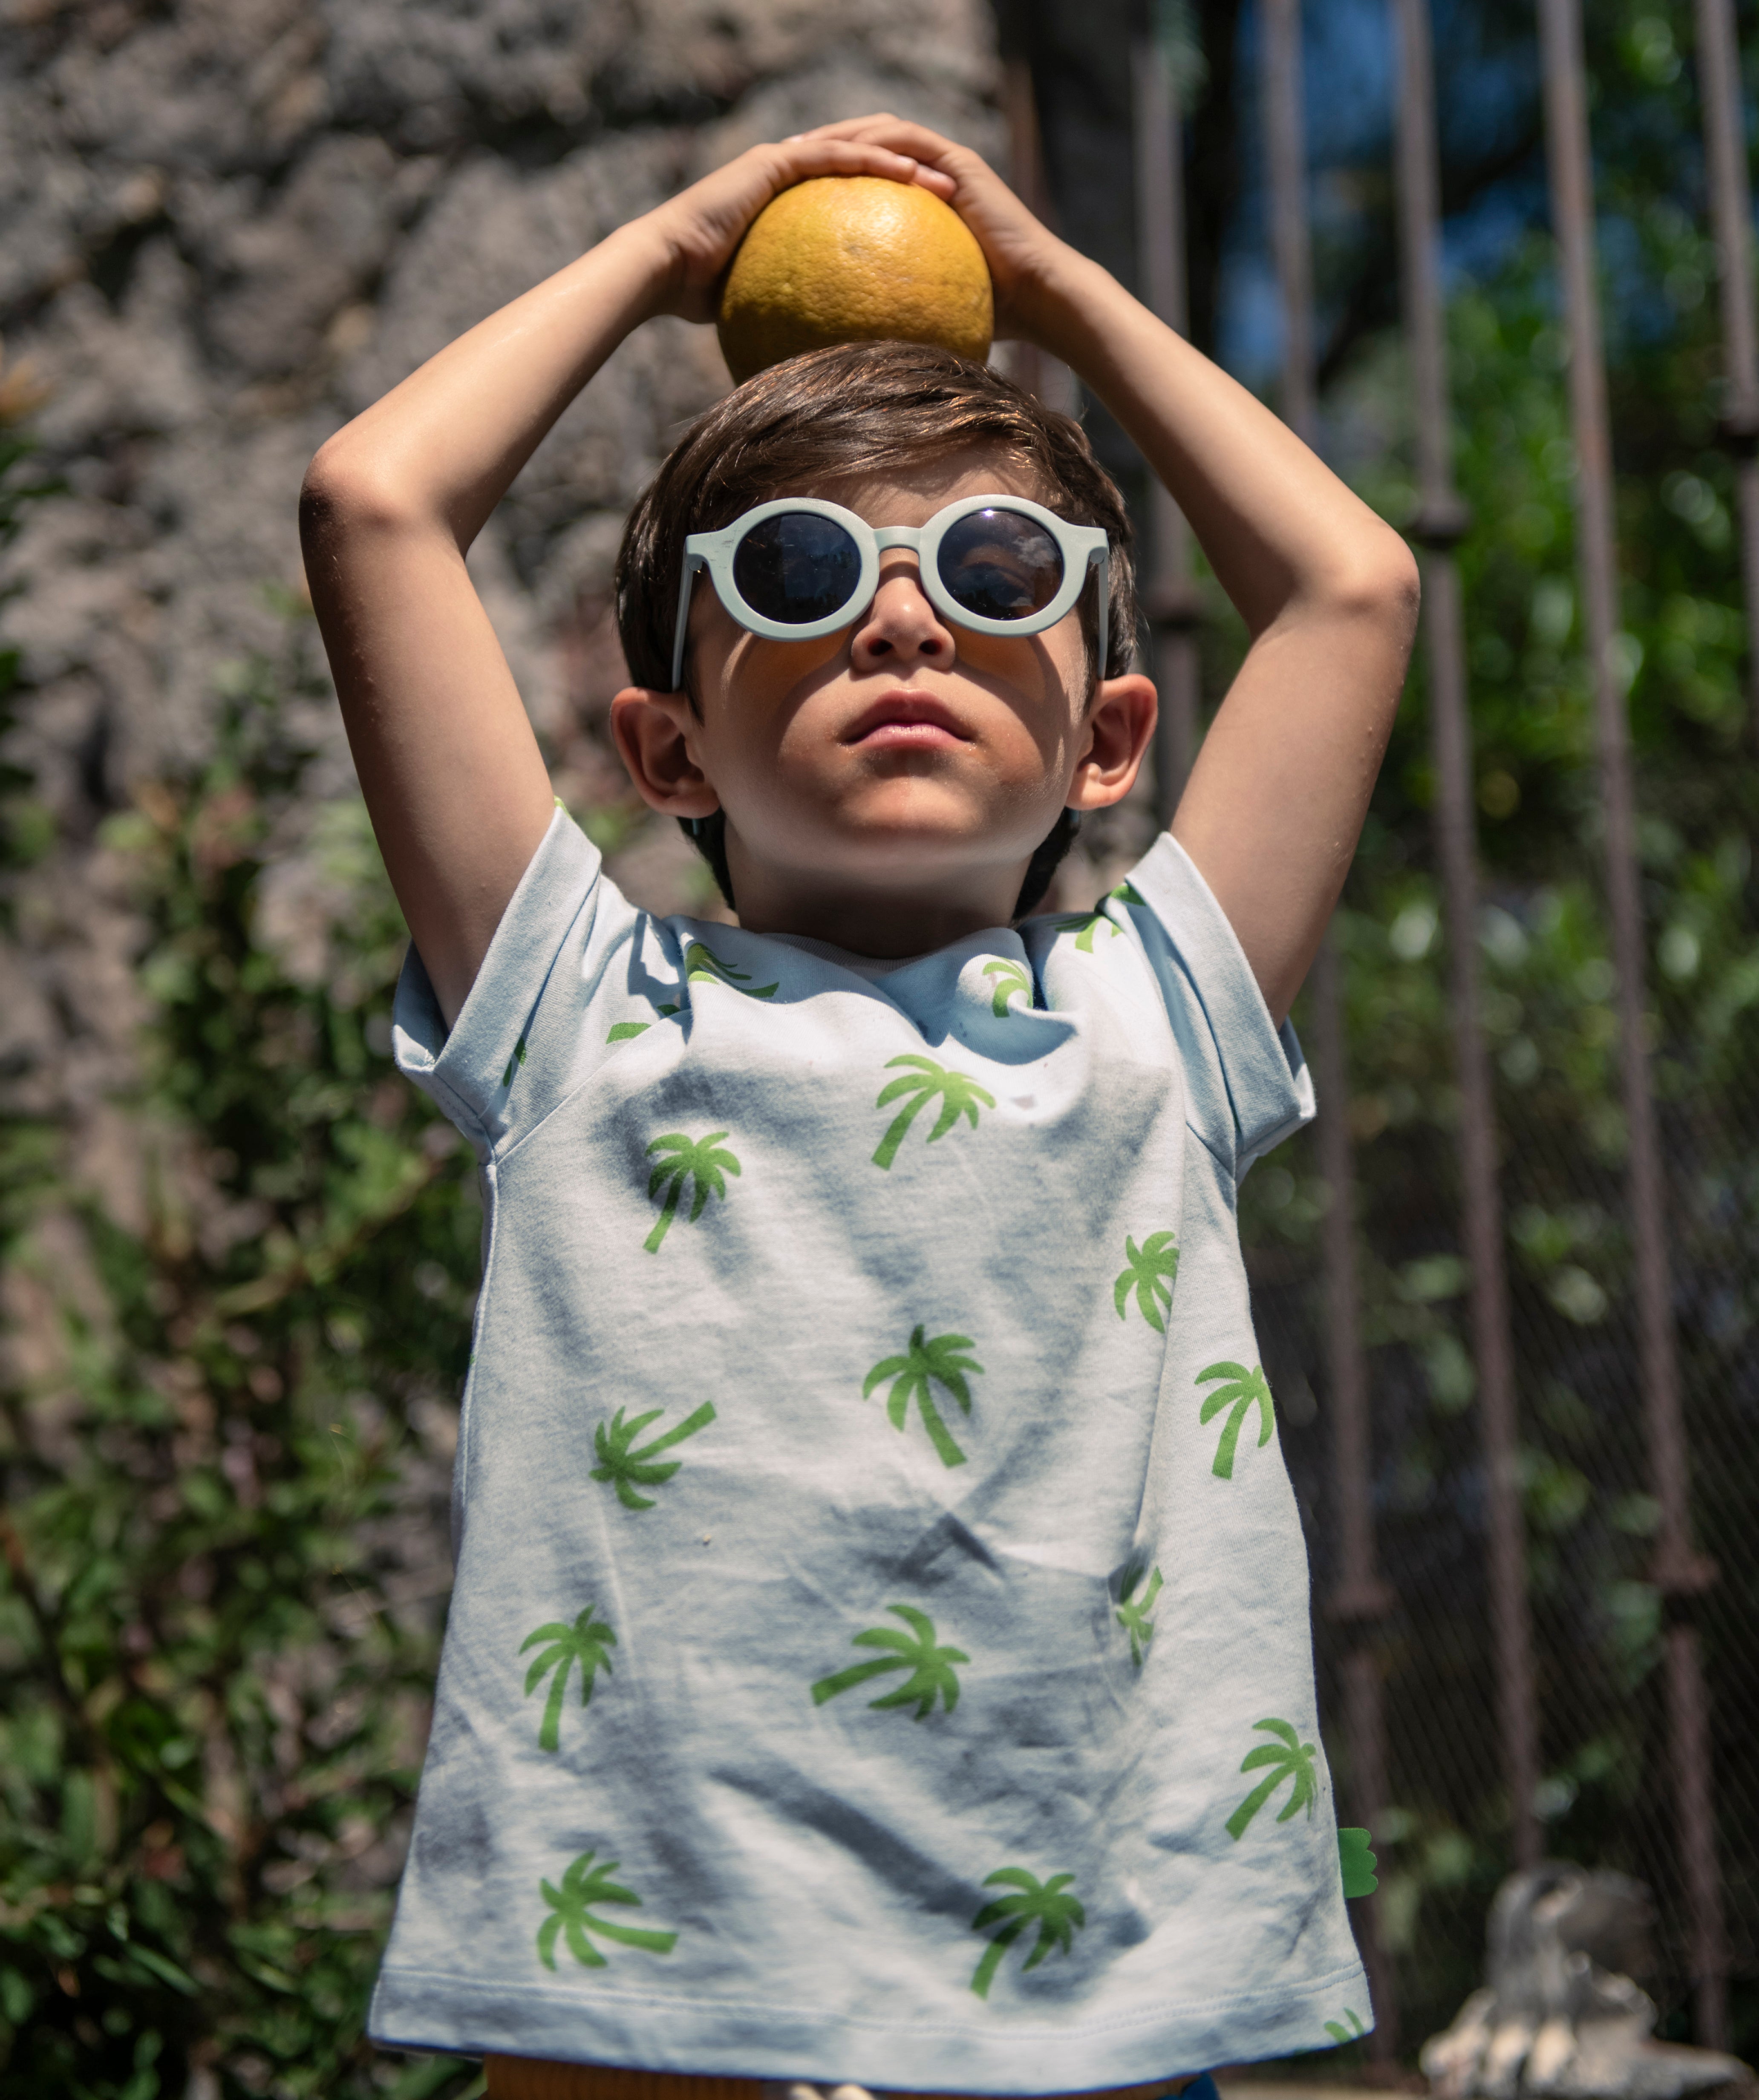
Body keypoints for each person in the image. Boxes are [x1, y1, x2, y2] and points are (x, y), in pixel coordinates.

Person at [299, 113, 1418, 2100]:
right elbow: (375, 500)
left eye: (997, 567)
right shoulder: (575, 1007)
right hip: (643, 2008)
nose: (902, 617)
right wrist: (673, 247)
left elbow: (1347, 584)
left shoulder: (1161, 1016)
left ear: (1110, 732)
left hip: (1088, 2008)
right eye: (801, 570)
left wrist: (1046, 288)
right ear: (668, 746)